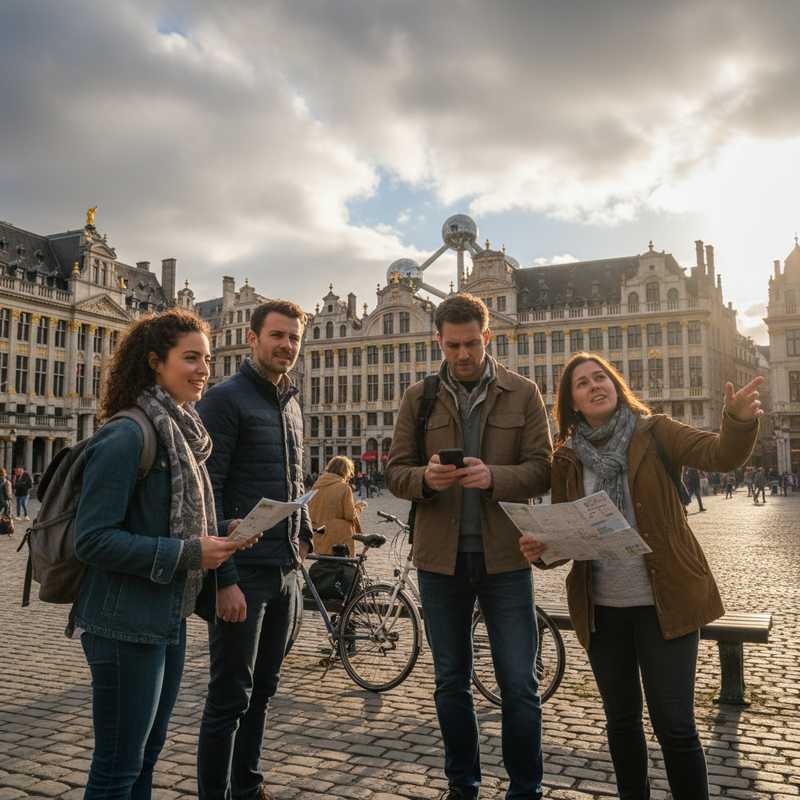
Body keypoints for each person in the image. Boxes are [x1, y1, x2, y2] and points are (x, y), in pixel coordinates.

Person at [519, 353, 761, 800]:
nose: (595, 385)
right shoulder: (568, 457)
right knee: (622, 723)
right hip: (603, 612)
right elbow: (568, 539)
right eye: (582, 383)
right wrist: (541, 549)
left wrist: (738, 420)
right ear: (570, 402)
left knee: (676, 726)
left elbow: (720, 454)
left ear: (615, 384)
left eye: (601, 377)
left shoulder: (656, 431)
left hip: (664, 602)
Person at [72, 309, 251, 799]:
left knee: (146, 758)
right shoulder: (127, 434)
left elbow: (176, 520)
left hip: (164, 617)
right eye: (190, 358)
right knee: (117, 768)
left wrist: (224, 535)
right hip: (121, 623)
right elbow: (90, 538)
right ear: (155, 362)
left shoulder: (186, 433)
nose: (204, 369)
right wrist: (191, 552)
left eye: (207, 359)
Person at [386, 292, 552, 800]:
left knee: (519, 686)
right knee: (450, 681)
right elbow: (394, 471)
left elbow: (544, 467)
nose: (463, 354)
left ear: (489, 338)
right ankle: (464, 784)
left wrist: (494, 476)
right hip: (441, 560)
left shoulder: (523, 393)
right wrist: (426, 479)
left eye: (472, 344)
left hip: (505, 558)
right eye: (453, 344)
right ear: (438, 340)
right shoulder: (420, 397)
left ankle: (525, 787)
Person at [196, 299, 314, 800]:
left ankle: (248, 785)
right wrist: (224, 580)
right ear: (253, 338)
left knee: (263, 690)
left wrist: (303, 529)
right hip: (242, 573)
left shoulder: (291, 402)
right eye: (277, 335)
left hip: (284, 568)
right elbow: (207, 493)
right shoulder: (224, 400)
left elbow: (292, 476)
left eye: (293, 337)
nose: (286, 345)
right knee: (229, 698)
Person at [308, 455, 366, 557]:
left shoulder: (316, 486)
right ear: (346, 471)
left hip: (319, 536)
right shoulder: (344, 488)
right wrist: (358, 507)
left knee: (325, 567)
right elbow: (349, 515)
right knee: (342, 568)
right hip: (338, 540)